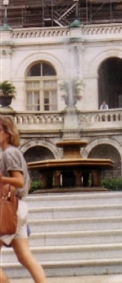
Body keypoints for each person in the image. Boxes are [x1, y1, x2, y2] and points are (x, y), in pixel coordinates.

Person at [0, 115, 47, 283]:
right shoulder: (14, 152)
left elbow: (18, 181)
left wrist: (2, 179)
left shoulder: (9, 154)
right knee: (25, 257)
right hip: (18, 207)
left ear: (7, 133)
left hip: (8, 208)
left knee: (26, 257)